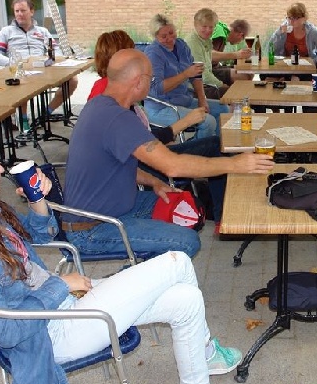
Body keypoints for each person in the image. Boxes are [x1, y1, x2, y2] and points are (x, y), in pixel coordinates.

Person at [0, 130, 243, 384]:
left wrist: (37, 201)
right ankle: (207, 354)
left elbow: (39, 236)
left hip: (63, 306)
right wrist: (61, 285)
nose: (0, 169)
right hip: (51, 334)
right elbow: (7, 331)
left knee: (187, 300)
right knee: (178, 261)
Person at [64, 48, 273, 259]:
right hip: (92, 229)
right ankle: (131, 279)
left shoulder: (99, 105)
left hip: (115, 208)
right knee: (187, 241)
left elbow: (118, 165)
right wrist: (235, 164)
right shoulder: (117, 118)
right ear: (139, 82)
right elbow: (173, 166)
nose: (152, 83)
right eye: (151, 79)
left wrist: (154, 182)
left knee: (187, 208)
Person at [87, 29, 225, 221]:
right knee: (214, 146)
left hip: (143, 158)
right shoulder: (110, 97)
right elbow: (141, 146)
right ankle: (221, 217)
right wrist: (183, 123)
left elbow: (141, 136)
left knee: (214, 143)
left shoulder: (108, 88)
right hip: (142, 165)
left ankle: (216, 208)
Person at [0, 0, 78, 132]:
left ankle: (46, 113)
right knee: (21, 83)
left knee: (72, 81)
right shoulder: (6, 32)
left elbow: (56, 50)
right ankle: (24, 121)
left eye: (23, 10)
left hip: (43, 71)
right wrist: (13, 63)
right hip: (19, 71)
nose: (19, 14)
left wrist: (52, 58)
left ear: (31, 11)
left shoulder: (42, 31)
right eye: (17, 11)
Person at [144, 14, 229, 139]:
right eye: (164, 36)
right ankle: (197, 149)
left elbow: (196, 73)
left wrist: (202, 98)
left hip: (184, 100)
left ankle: (213, 145)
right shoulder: (153, 53)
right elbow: (157, 88)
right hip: (162, 107)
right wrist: (185, 74)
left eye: (171, 33)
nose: (169, 38)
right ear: (155, 37)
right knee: (208, 122)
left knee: (223, 110)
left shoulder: (181, 45)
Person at [186, 10, 251, 96]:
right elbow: (203, 75)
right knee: (238, 89)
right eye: (204, 26)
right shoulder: (194, 43)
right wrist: (221, 85)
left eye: (211, 27)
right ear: (195, 25)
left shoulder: (206, 40)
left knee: (244, 77)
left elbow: (208, 66)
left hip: (206, 76)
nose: (208, 30)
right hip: (193, 86)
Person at [211, 19, 252, 84]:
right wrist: (237, 55)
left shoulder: (223, 30)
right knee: (244, 76)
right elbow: (210, 55)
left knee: (248, 73)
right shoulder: (220, 33)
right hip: (206, 71)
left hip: (215, 67)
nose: (241, 41)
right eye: (243, 38)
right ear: (240, 35)